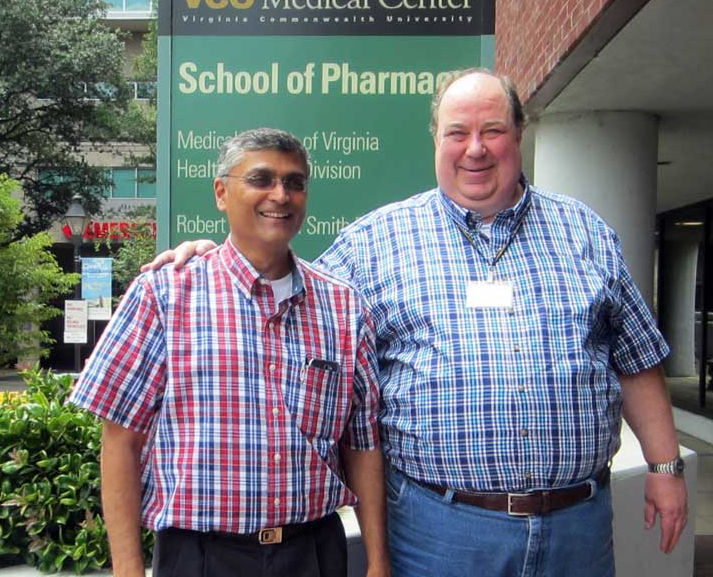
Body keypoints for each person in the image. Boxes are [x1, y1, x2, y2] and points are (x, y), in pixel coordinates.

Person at [144, 69, 688, 576]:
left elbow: (636, 359)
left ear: (519, 135)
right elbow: (286, 296)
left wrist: (665, 470)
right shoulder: (374, 244)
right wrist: (215, 256)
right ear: (436, 141)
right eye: (458, 133)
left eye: (492, 130)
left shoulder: (584, 232)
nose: (475, 149)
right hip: (436, 531)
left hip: (577, 527)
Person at [71, 128, 390, 577]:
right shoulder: (164, 295)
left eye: (295, 182)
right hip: (200, 557)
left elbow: (361, 445)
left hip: (314, 553)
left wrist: (378, 561)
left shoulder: (342, 307)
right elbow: (120, 440)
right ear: (221, 192)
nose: (280, 195)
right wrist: (128, 568)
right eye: (261, 179)